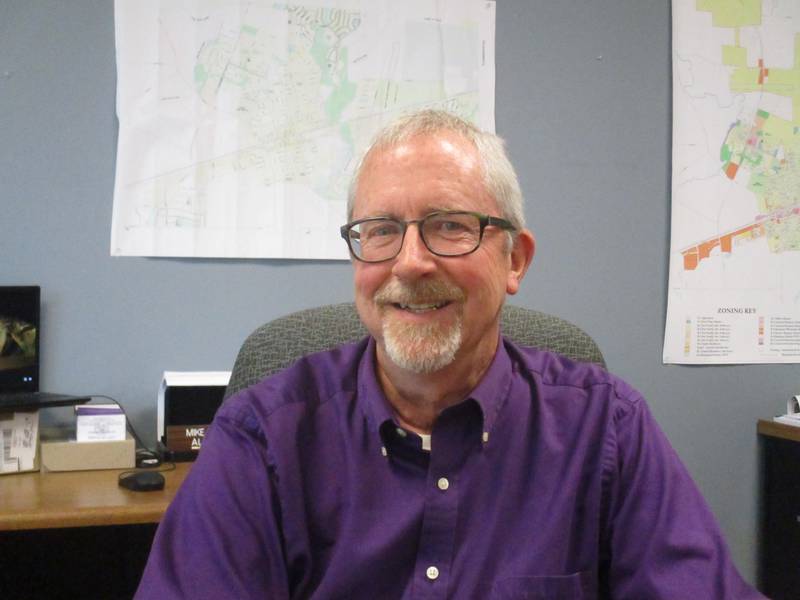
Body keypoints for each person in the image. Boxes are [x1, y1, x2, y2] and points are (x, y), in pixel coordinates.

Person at [136, 110, 763, 599]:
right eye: (380, 230)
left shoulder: (608, 431)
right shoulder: (261, 440)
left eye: (450, 225)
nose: (409, 262)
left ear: (515, 260)